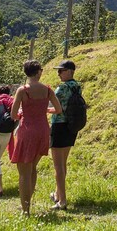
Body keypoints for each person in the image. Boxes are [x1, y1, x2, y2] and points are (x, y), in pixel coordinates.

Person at [9, 60, 62, 216]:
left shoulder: (22, 90)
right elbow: (58, 109)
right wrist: (44, 110)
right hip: (43, 130)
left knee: (24, 172)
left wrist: (23, 114)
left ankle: (25, 210)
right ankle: (27, 203)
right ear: (38, 72)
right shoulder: (47, 89)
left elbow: (13, 115)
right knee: (32, 168)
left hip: (27, 130)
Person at [49, 59, 81, 210]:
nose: (59, 73)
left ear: (69, 71)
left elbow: (55, 108)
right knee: (63, 164)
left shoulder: (61, 88)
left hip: (59, 126)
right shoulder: (77, 87)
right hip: (71, 127)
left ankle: (62, 201)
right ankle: (57, 193)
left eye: (61, 71)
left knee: (57, 167)